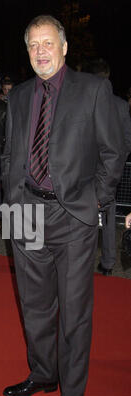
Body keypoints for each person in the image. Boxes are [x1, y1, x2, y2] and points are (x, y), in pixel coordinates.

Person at [1, 15, 125, 396]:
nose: (40, 51)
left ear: (65, 46)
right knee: (34, 307)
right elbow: (10, 155)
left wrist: (94, 201)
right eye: (33, 44)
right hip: (28, 215)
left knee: (74, 314)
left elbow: (114, 152)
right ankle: (43, 375)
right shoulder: (18, 96)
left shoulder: (93, 90)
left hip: (73, 216)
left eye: (47, 43)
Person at [81, 58, 131, 275]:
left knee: (82, 215)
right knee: (109, 218)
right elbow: (127, 140)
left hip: (88, 170)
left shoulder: (85, 100)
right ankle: (108, 263)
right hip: (111, 171)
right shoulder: (120, 105)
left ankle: (82, 261)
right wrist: (117, 165)